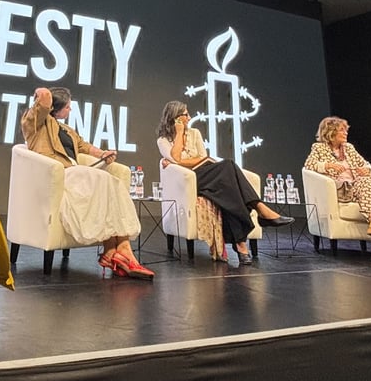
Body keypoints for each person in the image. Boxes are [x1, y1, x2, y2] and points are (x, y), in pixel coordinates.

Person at [22, 87, 154, 280]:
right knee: (104, 179)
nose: (70, 110)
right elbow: (43, 102)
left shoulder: (66, 129)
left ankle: (115, 250)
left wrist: (102, 154)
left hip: (76, 173)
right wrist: (42, 91)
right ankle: (121, 251)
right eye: (67, 106)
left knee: (112, 184)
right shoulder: (35, 123)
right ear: (55, 107)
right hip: (59, 175)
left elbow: (83, 146)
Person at [156, 101, 293, 266]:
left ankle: (241, 243)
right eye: (185, 115)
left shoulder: (195, 133)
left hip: (204, 174)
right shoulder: (163, 140)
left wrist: (185, 161)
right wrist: (179, 135)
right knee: (228, 165)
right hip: (188, 182)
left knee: (229, 189)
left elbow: (202, 158)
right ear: (176, 118)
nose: (189, 117)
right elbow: (176, 158)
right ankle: (260, 210)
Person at [304, 116, 371, 264]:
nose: (346, 133)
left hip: (358, 188)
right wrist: (327, 166)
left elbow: (366, 165)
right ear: (330, 132)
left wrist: (366, 170)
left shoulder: (349, 148)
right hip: (340, 190)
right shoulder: (319, 148)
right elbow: (309, 165)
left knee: (365, 182)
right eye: (342, 130)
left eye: (346, 130)